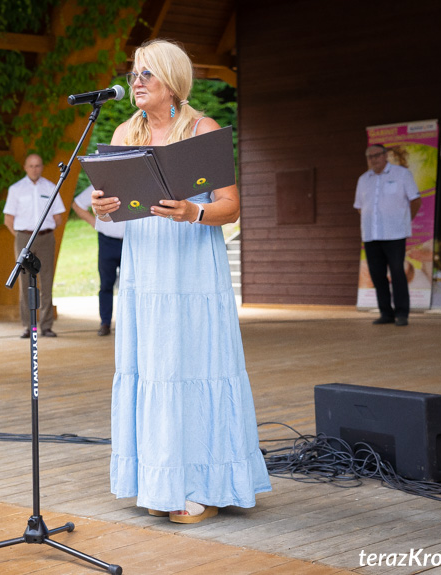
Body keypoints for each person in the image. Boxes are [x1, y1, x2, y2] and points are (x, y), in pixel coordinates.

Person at [91, 39, 271, 524]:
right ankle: (159, 479)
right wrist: (102, 205)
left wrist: (194, 211)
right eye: (134, 74)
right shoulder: (126, 131)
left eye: (147, 74)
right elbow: (114, 203)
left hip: (191, 264)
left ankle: (201, 484)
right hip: (146, 266)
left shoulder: (202, 130)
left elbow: (231, 207)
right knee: (153, 367)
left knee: (191, 364)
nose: (137, 82)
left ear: (173, 81)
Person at [354, 144, 421, 327]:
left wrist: (404, 221)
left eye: (376, 155)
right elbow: (360, 207)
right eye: (369, 156)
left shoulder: (401, 174)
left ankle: (401, 313)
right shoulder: (363, 179)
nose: (373, 159)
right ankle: (386, 313)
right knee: (377, 274)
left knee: (398, 272)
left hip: (395, 234)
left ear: (385, 156)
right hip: (371, 235)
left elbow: (415, 200)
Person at [3, 153, 66, 338]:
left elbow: (58, 217)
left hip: (46, 238)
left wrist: (44, 233)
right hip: (24, 238)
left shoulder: (51, 187)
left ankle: (46, 325)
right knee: (24, 282)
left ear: (42, 167)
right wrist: (23, 237)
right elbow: (8, 219)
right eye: (31, 166)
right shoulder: (16, 189)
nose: (34, 169)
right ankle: (28, 326)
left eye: (37, 165)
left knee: (46, 281)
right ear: (25, 167)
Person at [72, 185, 125, 336]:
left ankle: (127, 324)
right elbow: (77, 204)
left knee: (129, 285)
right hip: (107, 241)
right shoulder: (100, 183)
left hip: (131, 241)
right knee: (106, 284)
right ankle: (105, 323)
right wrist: (95, 223)